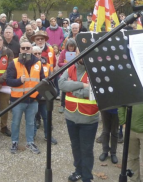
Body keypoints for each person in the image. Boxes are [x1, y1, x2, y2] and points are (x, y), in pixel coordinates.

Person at [59, 51, 99, 182]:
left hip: (88, 116)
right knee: (75, 146)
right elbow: (61, 84)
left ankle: (87, 176)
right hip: (71, 115)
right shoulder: (70, 67)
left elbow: (95, 90)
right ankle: (78, 171)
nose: (82, 55)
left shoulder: (96, 69)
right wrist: (82, 85)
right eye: (79, 52)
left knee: (87, 149)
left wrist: (73, 88)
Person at [6, 40, 44, 154]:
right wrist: (19, 81)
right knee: (16, 122)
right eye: (23, 48)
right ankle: (14, 141)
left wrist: (38, 96)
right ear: (20, 50)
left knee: (31, 122)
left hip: (33, 100)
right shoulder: (14, 63)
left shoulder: (38, 63)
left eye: (28, 48)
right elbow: (8, 81)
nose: (26, 50)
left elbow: (42, 81)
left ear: (31, 49)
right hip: (17, 100)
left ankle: (30, 142)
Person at [31, 46, 58, 145]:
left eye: (39, 53)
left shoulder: (46, 65)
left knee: (46, 117)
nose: (37, 55)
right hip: (33, 96)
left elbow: (51, 79)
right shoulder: (28, 65)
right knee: (32, 117)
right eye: (35, 53)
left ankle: (48, 136)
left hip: (44, 96)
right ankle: (32, 135)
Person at [57, 38, 77, 113]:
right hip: (65, 73)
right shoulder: (63, 52)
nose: (71, 48)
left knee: (74, 88)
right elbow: (59, 63)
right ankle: (62, 105)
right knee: (64, 90)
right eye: (69, 46)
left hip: (75, 73)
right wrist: (68, 64)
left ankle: (72, 105)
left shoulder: (77, 52)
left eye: (72, 46)